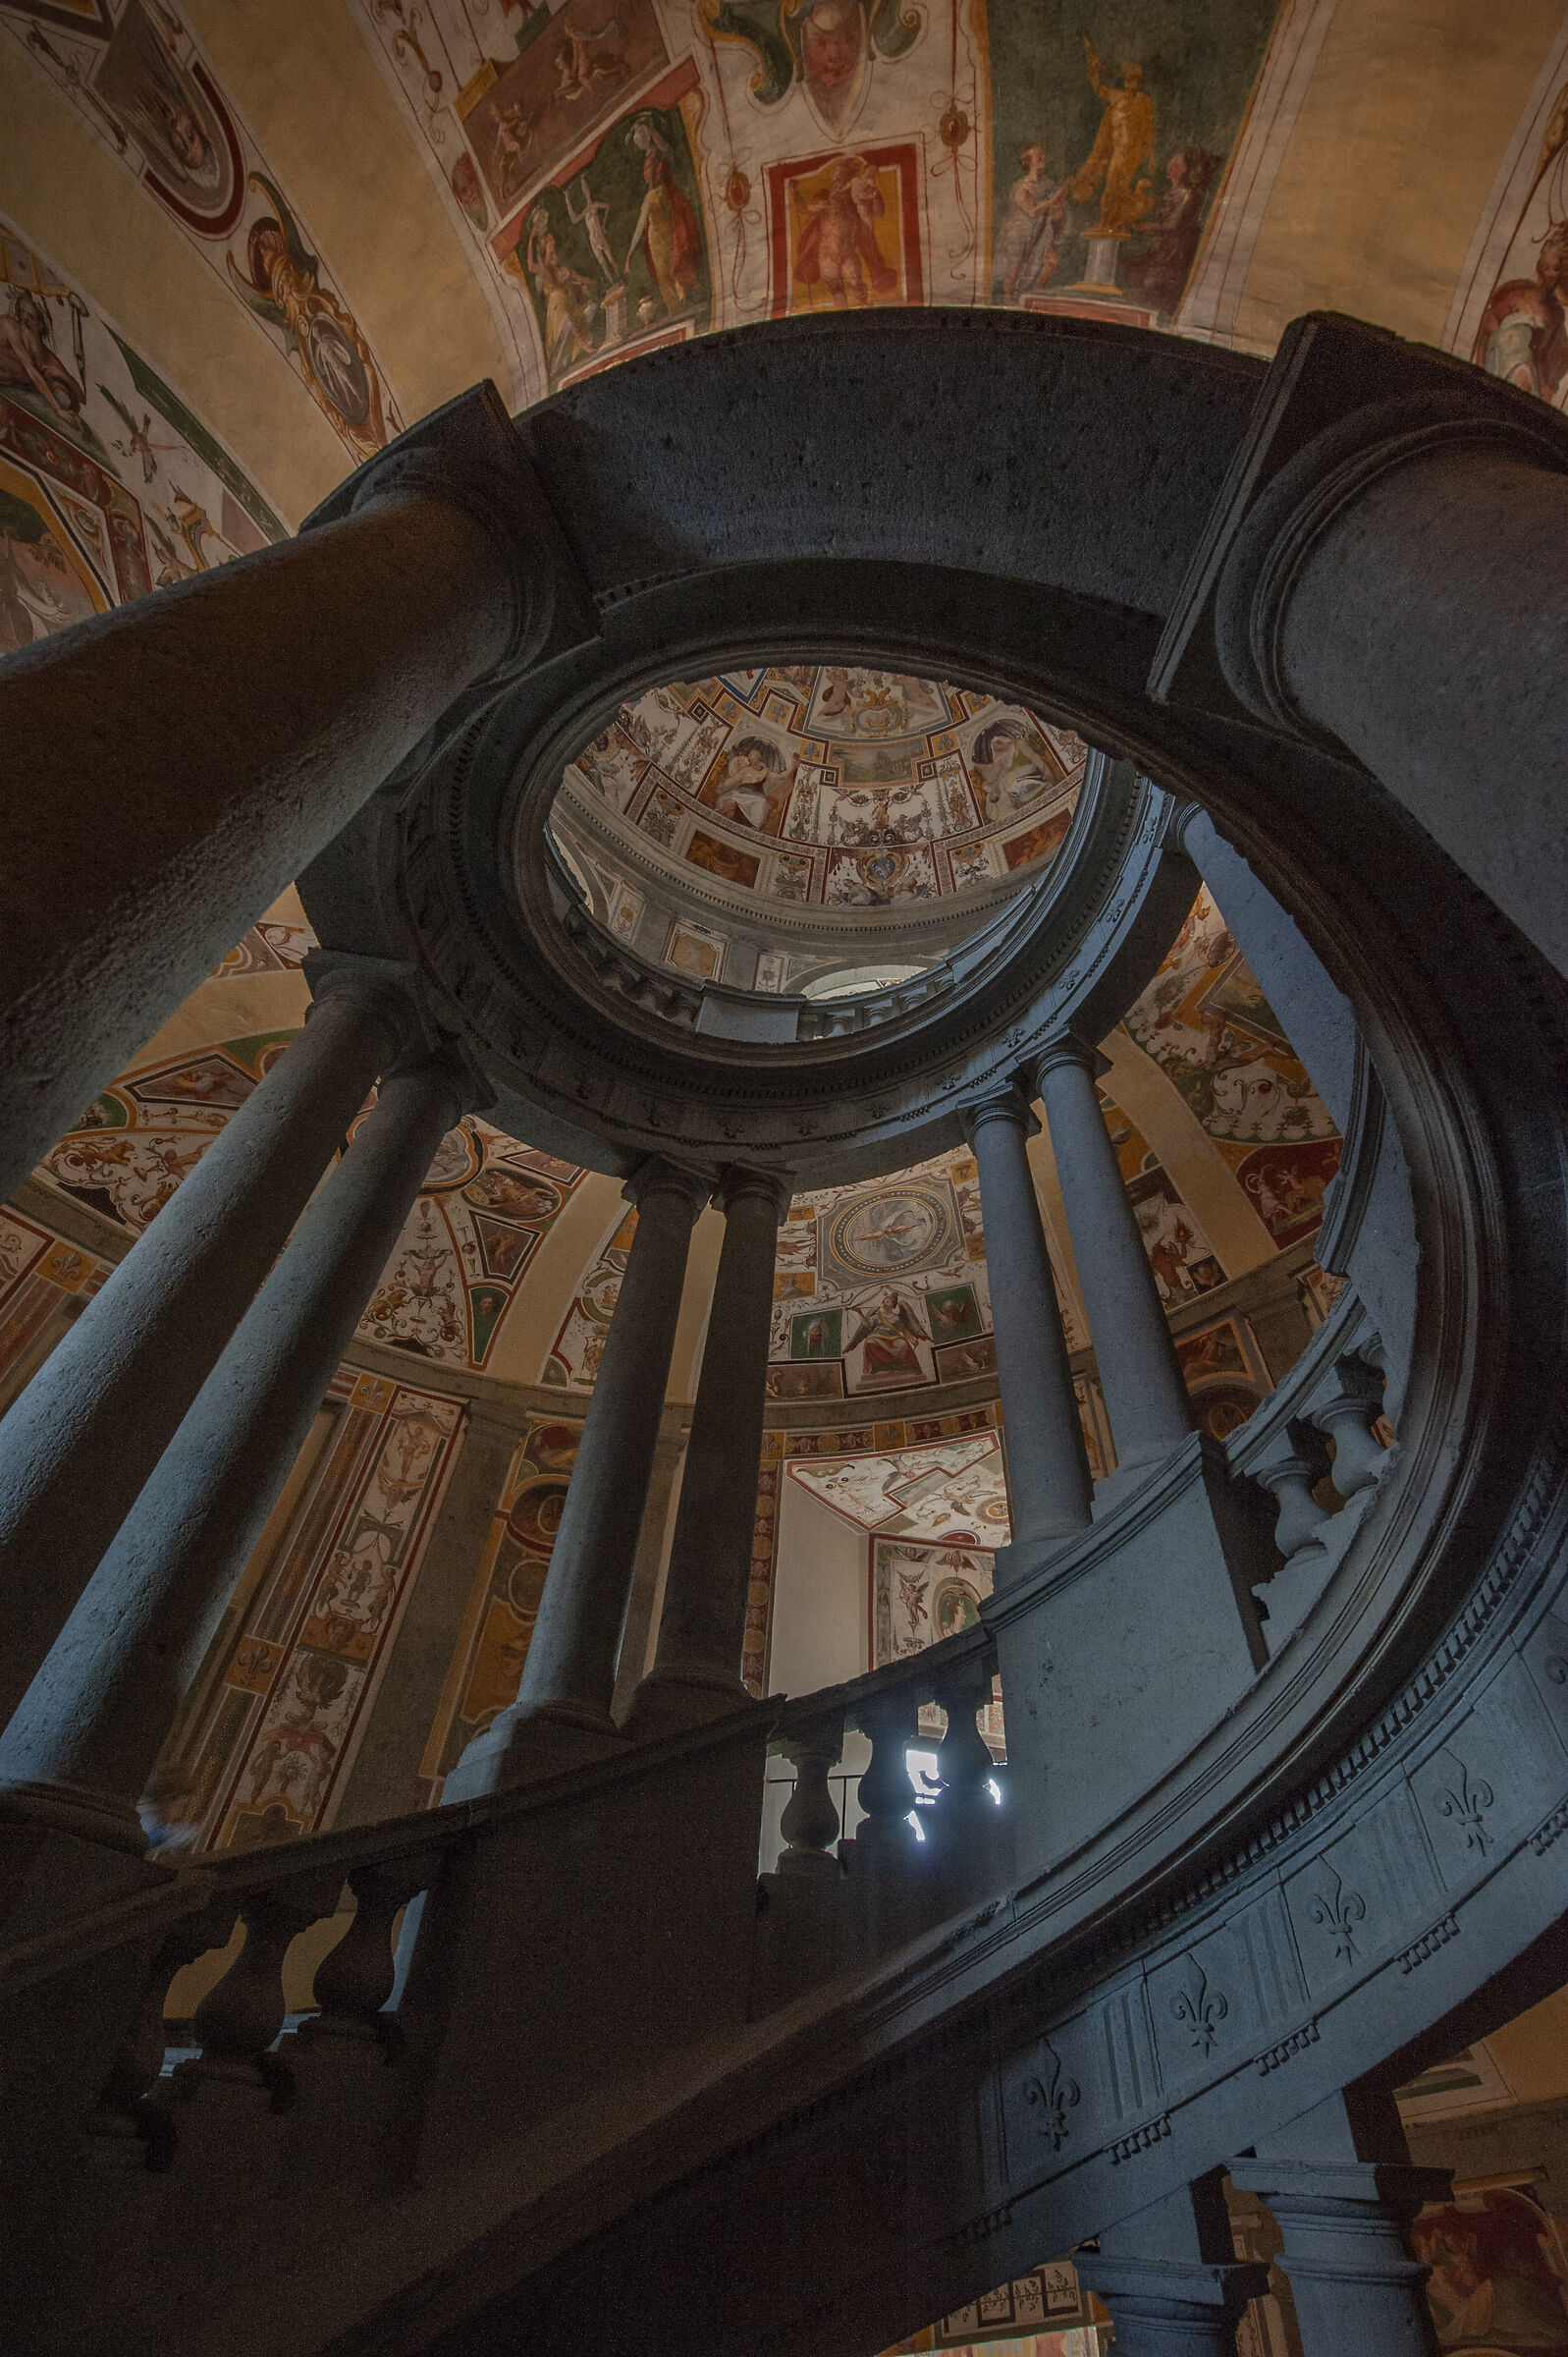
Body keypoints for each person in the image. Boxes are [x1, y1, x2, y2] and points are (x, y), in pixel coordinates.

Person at [1068, 37, 1155, 239]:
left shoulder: (1144, 102)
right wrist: (1093, 64)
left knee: (1122, 186)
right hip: (1117, 151)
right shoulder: (1115, 97)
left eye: (1134, 81)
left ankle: (1115, 222)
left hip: (1132, 153)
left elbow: (1148, 128)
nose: (1131, 85)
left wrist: (1150, 154)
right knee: (1110, 185)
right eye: (1128, 81)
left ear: (1138, 83)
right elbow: (1097, 85)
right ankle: (1105, 221)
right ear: (1124, 82)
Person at [1121, 145, 1220, 316]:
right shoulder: (1171, 194)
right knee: (1131, 271)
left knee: (1152, 285)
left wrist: (1147, 227)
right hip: (1159, 251)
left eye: (1174, 166)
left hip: (1173, 254)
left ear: (1184, 169)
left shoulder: (1187, 196)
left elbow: (1173, 226)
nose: (1170, 168)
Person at [1473, 224, 1568, 401]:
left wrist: (1548, 389)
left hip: (1528, 375)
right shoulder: (1517, 296)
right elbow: (1488, 323)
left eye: (1556, 269)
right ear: (1540, 267)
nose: (1550, 274)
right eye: (1546, 268)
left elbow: (1556, 354)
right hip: (1502, 362)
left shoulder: (1556, 313)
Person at [796, 154, 897, 308]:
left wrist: (876, 196)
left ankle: (865, 310)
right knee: (836, 289)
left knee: (856, 283)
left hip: (848, 252)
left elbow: (879, 212)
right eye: (836, 179)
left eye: (840, 178)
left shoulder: (857, 200)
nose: (836, 182)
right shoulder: (826, 200)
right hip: (827, 255)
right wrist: (794, 192)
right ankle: (844, 318)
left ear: (848, 179)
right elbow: (803, 208)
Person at [625, 117, 702, 316]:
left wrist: (653, 132)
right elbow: (640, 223)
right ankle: (674, 307)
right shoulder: (649, 196)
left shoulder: (660, 154)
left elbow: (668, 150)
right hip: (654, 231)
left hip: (666, 217)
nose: (648, 169)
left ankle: (684, 298)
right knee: (661, 270)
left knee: (676, 257)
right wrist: (629, 255)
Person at [993, 143, 1066, 304]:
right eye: (1038, 156)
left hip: (1040, 231)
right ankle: (1009, 300)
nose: (1043, 158)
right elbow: (1033, 212)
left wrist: (1058, 207)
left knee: (1052, 260)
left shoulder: (1048, 184)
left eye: (1043, 155)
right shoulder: (1022, 187)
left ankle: (1037, 288)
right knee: (1014, 269)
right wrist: (1054, 199)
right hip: (1019, 233)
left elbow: (1054, 213)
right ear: (1029, 162)